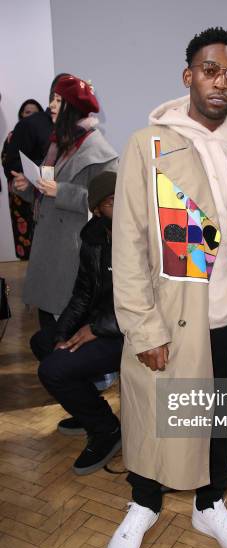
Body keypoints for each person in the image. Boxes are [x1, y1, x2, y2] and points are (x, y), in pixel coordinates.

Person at [107, 26, 227, 548]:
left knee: (220, 421)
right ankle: (144, 503)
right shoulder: (150, 145)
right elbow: (131, 243)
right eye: (210, 69)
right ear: (189, 76)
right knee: (158, 420)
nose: (221, 81)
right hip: (172, 317)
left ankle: (210, 504)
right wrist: (143, 328)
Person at [30, 171, 122, 475]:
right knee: (44, 342)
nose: (119, 205)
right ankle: (91, 412)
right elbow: (83, 293)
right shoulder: (93, 236)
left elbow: (146, 300)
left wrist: (96, 329)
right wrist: (64, 333)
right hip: (100, 326)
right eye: (110, 202)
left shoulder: (138, 235)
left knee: (53, 370)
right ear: (97, 209)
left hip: (127, 332)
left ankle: (106, 429)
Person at [12, 75, 118, 330]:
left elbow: (112, 204)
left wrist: (62, 191)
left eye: (59, 100)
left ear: (73, 107)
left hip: (73, 252)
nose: (51, 106)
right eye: (52, 99)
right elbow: (45, 189)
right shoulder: (59, 145)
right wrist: (28, 188)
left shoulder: (99, 151)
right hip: (51, 247)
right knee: (48, 323)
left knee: (65, 329)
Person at [1, 99, 44, 259]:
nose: (30, 116)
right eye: (27, 112)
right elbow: (6, 160)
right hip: (19, 192)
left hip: (42, 189)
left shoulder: (48, 135)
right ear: (21, 115)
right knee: (23, 230)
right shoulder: (13, 136)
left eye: (34, 113)